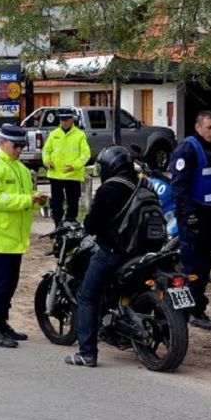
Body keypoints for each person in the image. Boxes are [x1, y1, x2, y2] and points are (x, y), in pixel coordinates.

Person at [0, 124, 48, 348]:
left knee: (10, 284)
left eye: (22, 146)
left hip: (14, 238)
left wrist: (36, 198)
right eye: (16, 146)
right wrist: (26, 201)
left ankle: (4, 324)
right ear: (3, 143)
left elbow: (22, 196)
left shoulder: (20, 168)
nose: (19, 150)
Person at [65, 146, 137, 367]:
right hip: (143, 252)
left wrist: (87, 227)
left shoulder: (110, 189)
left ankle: (87, 353)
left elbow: (93, 223)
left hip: (115, 252)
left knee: (86, 296)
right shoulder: (143, 184)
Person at [169, 110, 211, 330]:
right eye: (209, 127)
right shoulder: (188, 149)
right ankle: (190, 311)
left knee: (204, 266)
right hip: (193, 215)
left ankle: (196, 308)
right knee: (192, 266)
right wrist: (189, 214)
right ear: (198, 127)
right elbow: (179, 186)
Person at [43, 108, 91, 227]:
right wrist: (47, 161)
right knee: (56, 202)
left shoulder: (80, 135)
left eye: (66, 119)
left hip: (73, 175)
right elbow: (46, 150)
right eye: (62, 120)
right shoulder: (54, 134)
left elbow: (86, 154)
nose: (64, 122)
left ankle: (71, 222)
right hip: (56, 175)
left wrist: (74, 166)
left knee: (73, 201)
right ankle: (57, 223)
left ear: (71, 120)